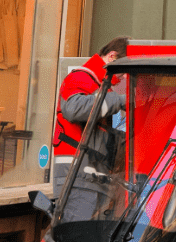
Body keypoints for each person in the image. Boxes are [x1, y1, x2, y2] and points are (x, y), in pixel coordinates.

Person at [52, 36, 129, 203]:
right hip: (77, 177)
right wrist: (120, 101)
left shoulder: (101, 85)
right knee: (73, 228)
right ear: (112, 57)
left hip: (89, 178)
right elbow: (73, 109)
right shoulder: (82, 77)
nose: (123, 77)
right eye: (124, 71)